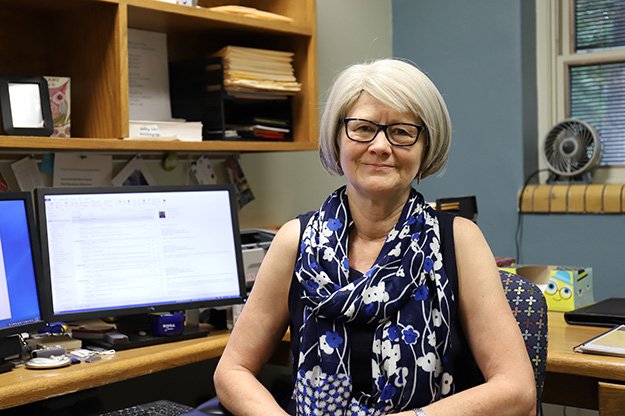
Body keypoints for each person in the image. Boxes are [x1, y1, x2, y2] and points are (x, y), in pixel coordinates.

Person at [214, 58, 536, 416]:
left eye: (401, 131)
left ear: (425, 146)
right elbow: (232, 371)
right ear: (337, 138)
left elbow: (517, 389)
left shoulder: (459, 241)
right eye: (363, 128)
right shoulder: (295, 241)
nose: (381, 145)